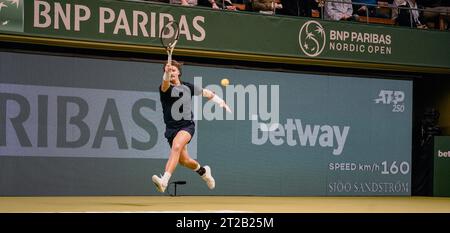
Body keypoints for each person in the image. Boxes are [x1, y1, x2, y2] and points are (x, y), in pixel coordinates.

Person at [152, 60, 232, 193]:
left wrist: (221, 102)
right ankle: (204, 172)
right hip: (171, 129)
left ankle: (164, 181)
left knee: (177, 146)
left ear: (178, 72)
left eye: (173, 70)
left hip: (187, 126)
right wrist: (166, 73)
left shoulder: (188, 87)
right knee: (184, 161)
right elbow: (165, 82)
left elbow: (207, 93)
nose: (171, 72)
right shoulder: (164, 88)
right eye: (168, 70)